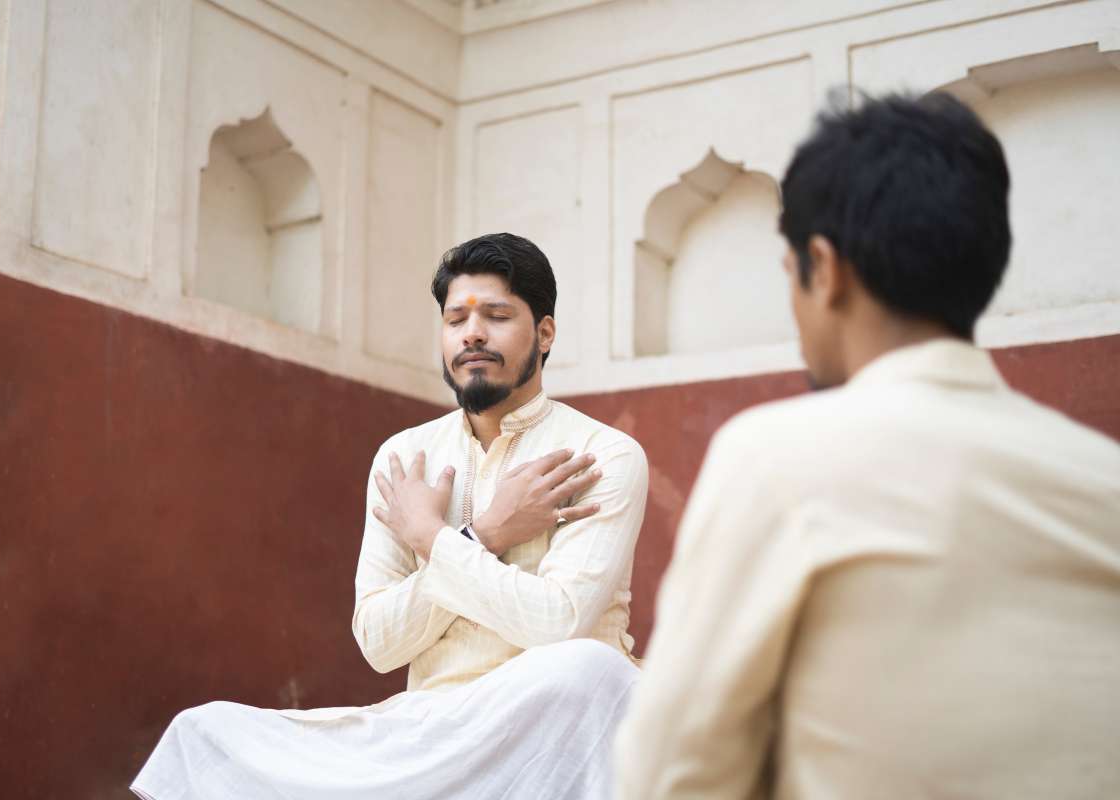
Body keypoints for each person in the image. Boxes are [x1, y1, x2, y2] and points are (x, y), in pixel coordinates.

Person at [614, 92, 1120, 798]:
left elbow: (669, 777)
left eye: (790, 277)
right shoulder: (1103, 480)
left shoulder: (775, 460)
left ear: (826, 269)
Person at [132, 232, 648, 800]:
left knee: (586, 669)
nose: (472, 333)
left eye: (497, 316)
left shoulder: (601, 455)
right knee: (205, 731)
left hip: (546, 724)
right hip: (427, 732)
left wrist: (433, 538)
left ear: (544, 333)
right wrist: (487, 534)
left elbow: (556, 624)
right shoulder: (405, 458)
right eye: (456, 320)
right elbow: (379, 642)